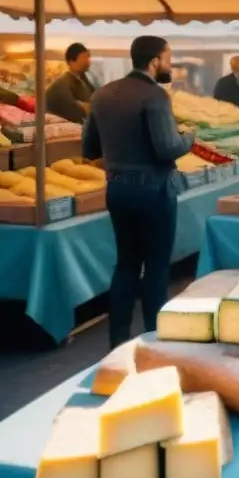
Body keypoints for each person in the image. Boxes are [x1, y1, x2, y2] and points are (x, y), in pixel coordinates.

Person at [82, 36, 195, 349]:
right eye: (168, 57)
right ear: (155, 60)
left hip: (117, 188)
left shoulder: (102, 94)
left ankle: (117, 340)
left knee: (126, 264)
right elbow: (166, 149)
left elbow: (89, 148)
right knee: (157, 267)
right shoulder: (155, 95)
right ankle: (153, 339)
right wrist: (189, 137)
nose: (170, 64)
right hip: (153, 190)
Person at [45, 43, 96, 124]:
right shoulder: (61, 84)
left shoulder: (84, 79)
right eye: (84, 58)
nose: (88, 61)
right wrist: (83, 106)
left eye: (88, 58)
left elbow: (95, 102)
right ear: (71, 61)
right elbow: (73, 109)